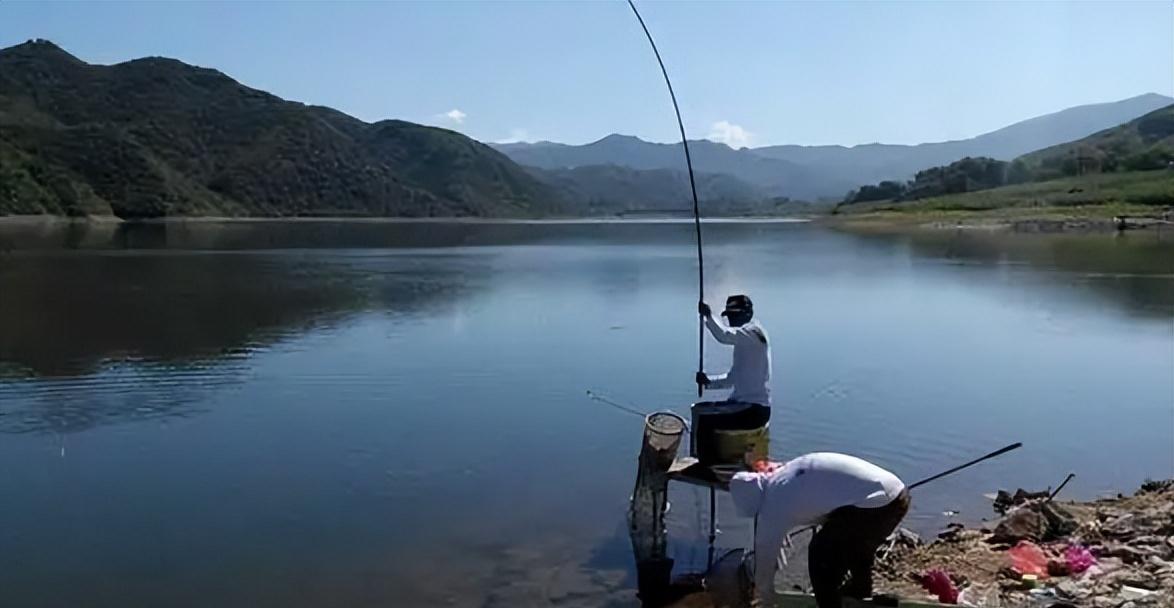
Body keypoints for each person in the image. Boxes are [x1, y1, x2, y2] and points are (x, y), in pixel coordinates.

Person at [728, 452, 911, 608]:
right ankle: (860, 594)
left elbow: (765, 560)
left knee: (820, 555)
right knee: (856, 547)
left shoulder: (773, 506)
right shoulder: (783, 472)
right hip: (897, 494)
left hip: (875, 506)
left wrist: (765, 600)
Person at [696, 294, 771, 406]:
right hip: (741, 403)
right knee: (701, 409)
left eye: (736, 315)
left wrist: (709, 316)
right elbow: (732, 379)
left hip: (754, 406)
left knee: (701, 413)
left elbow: (724, 336)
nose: (731, 319)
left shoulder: (753, 333)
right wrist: (708, 382)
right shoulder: (743, 340)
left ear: (748, 314)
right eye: (730, 315)